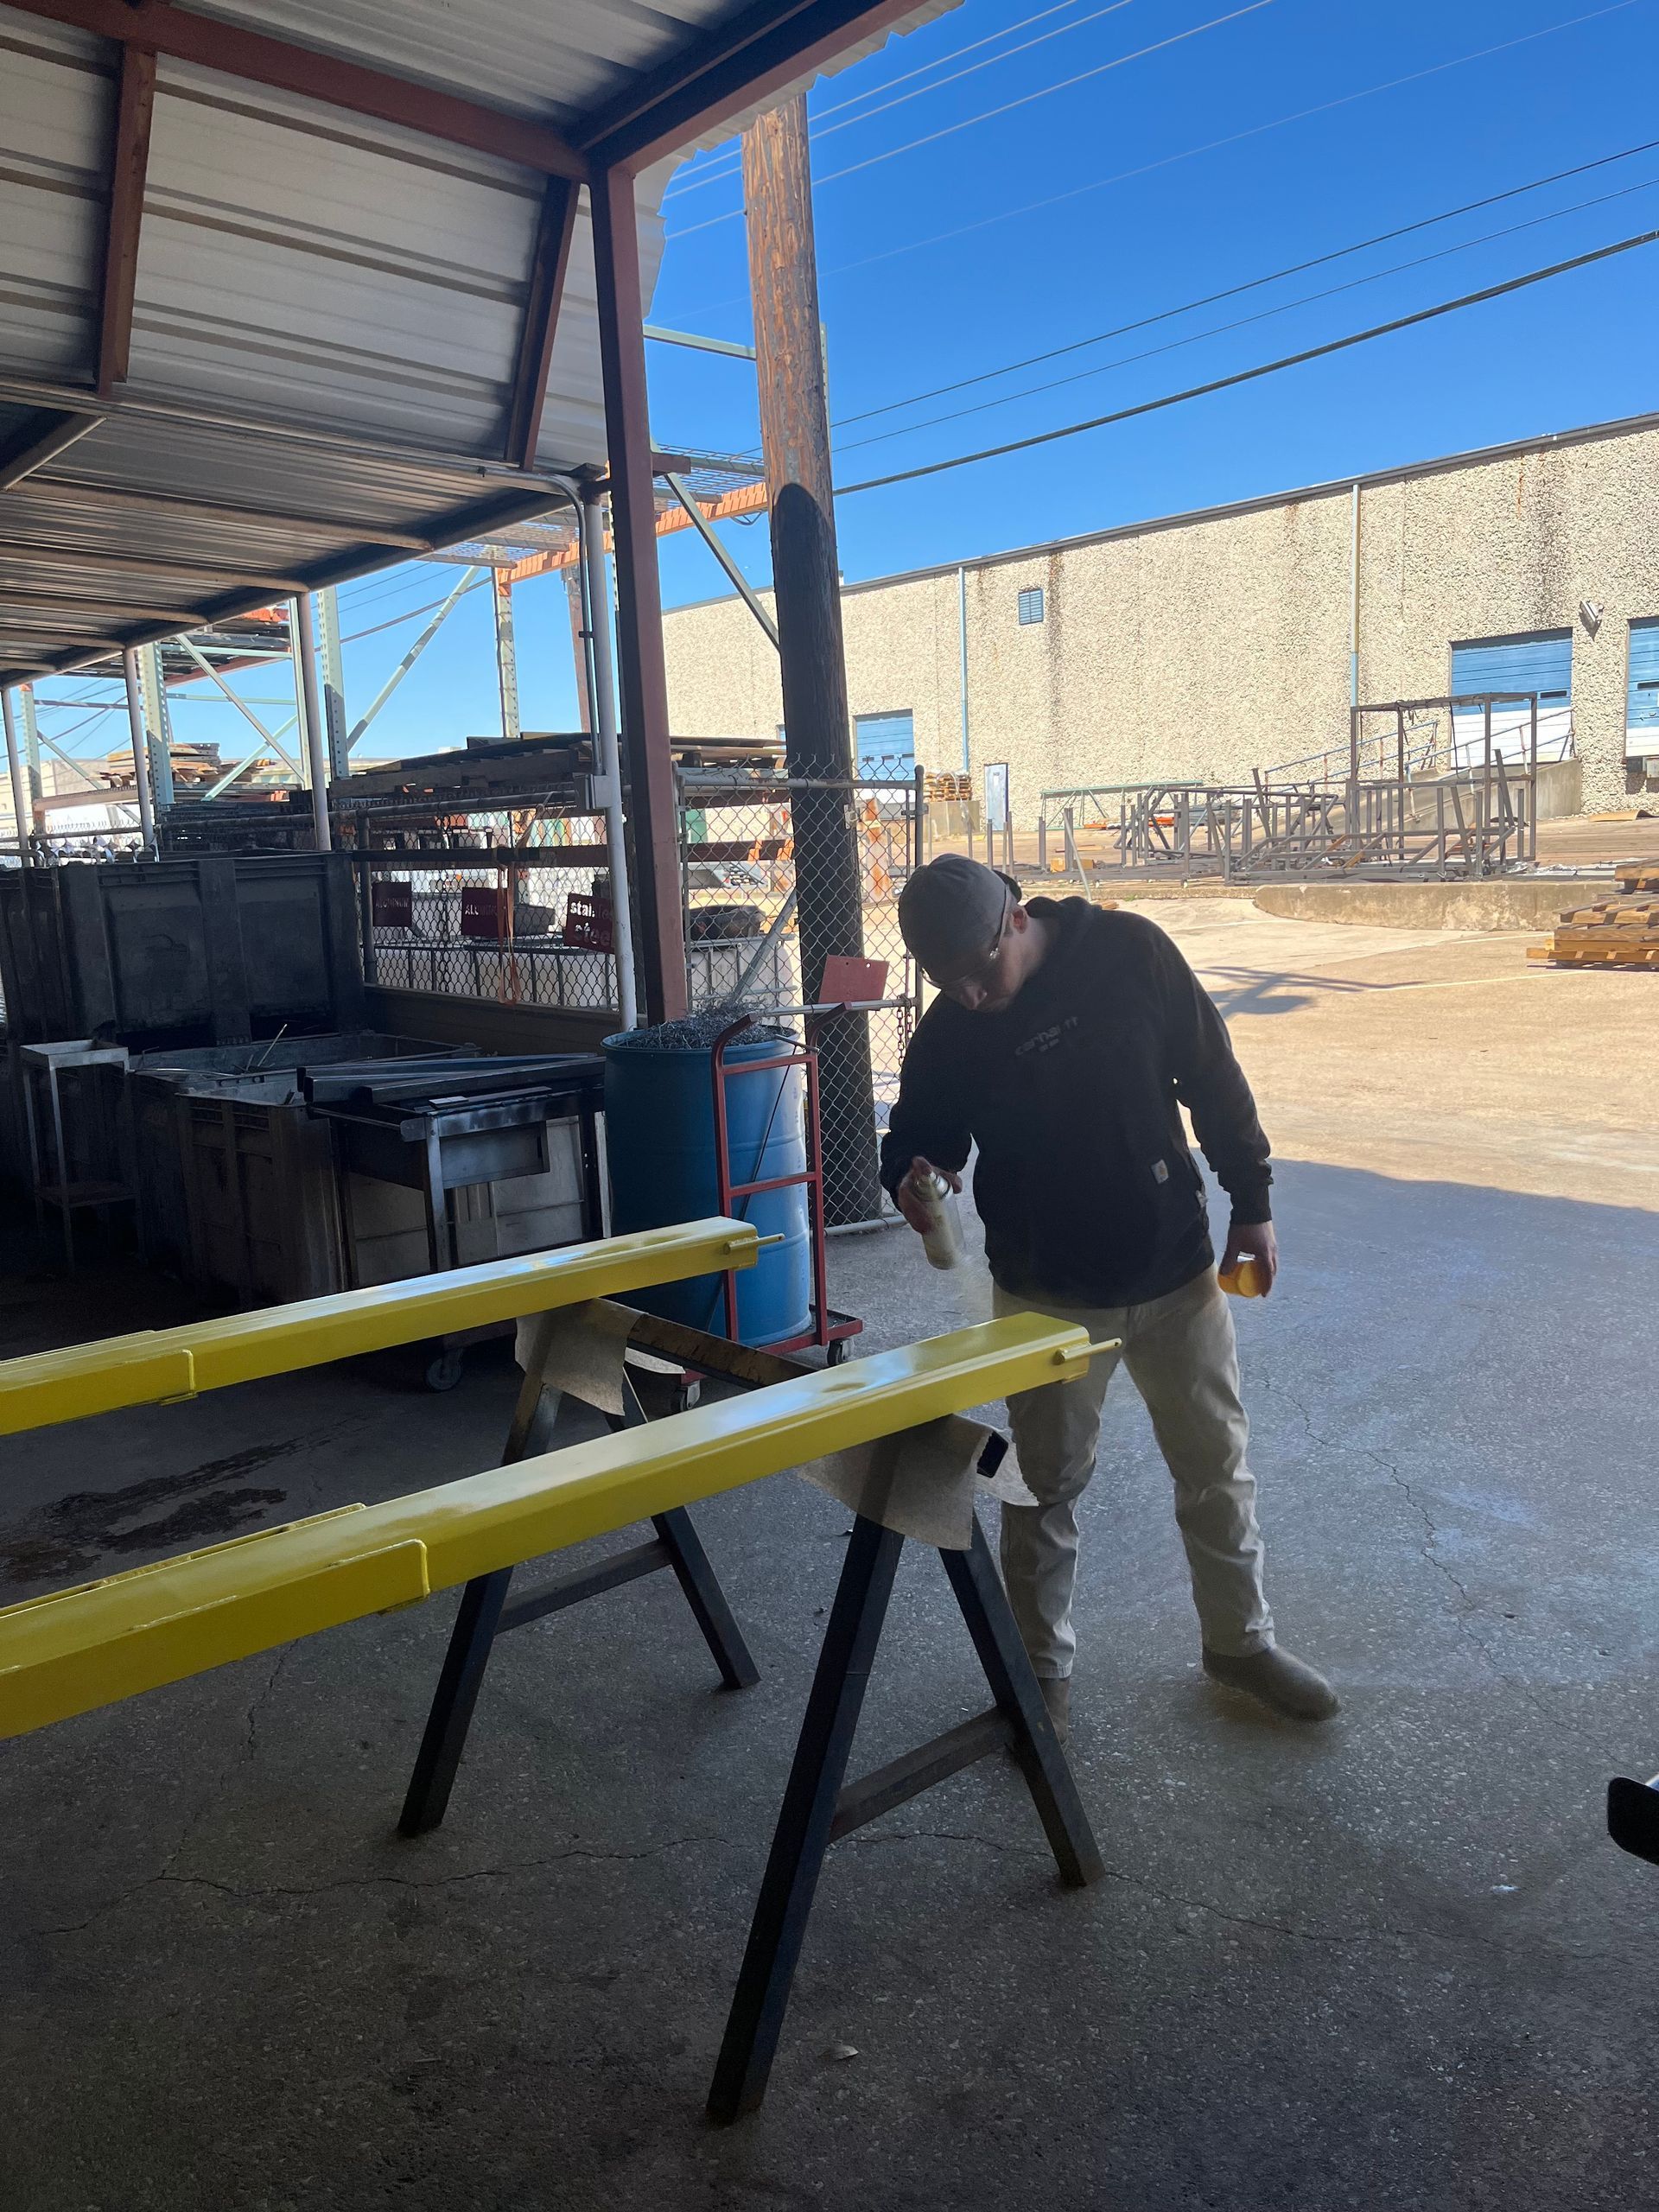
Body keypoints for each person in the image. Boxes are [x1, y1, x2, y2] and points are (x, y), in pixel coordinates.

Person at [880, 853, 1337, 1741]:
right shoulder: (951, 1029)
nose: (971, 995)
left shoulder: (1130, 953)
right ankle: (1037, 1671)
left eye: (980, 972)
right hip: (1045, 1292)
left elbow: (1212, 1074)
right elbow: (920, 1138)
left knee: (1215, 1468)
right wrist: (915, 1177)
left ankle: (1239, 1643)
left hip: (1173, 1269)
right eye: (950, 983)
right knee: (1041, 1492)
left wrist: (1253, 1202)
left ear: (1014, 918)